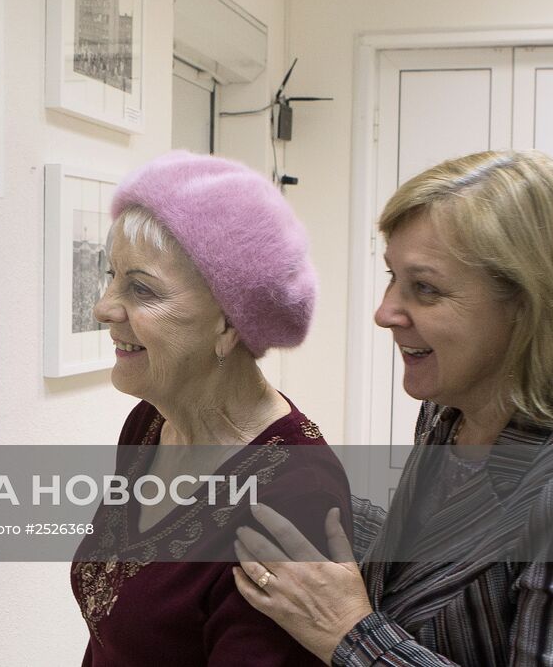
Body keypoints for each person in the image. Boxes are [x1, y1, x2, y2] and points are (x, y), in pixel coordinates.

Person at [231, 149, 553, 666]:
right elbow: (426, 566)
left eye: (425, 288)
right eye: (392, 277)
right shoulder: (448, 411)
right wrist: (298, 491)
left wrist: (350, 634)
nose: (384, 313)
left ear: (525, 303)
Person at [70, 150, 351, 666]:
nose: (104, 307)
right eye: (111, 276)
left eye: (139, 288)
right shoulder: (150, 423)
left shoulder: (293, 495)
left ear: (229, 323)